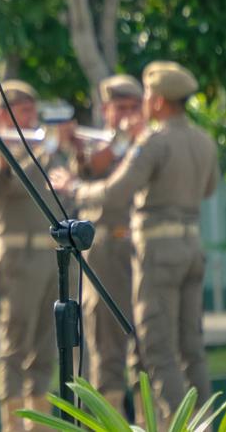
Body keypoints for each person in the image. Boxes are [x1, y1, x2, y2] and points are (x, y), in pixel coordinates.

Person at [58, 62, 217, 423]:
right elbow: (208, 188)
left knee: (157, 353)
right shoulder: (203, 139)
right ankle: (206, 424)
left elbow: (116, 194)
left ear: (158, 101)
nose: (140, 105)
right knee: (190, 349)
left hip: (156, 253)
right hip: (189, 246)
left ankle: (180, 426)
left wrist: (75, 188)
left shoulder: (153, 141)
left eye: (144, 98)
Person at [0, 81, 66, 431]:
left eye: (31, 108)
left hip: (47, 255)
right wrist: (47, 148)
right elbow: (15, 183)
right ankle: (11, 425)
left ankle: (39, 425)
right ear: (1, 115)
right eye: (22, 110)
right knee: (15, 348)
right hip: (16, 256)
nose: (31, 116)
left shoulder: (45, 148)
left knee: (44, 348)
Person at [73, 75, 144, 412]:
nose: (129, 115)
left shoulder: (147, 142)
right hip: (106, 250)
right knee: (107, 348)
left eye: (135, 107)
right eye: (121, 108)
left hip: (143, 248)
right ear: (106, 110)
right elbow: (90, 169)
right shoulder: (91, 144)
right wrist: (121, 142)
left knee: (148, 347)